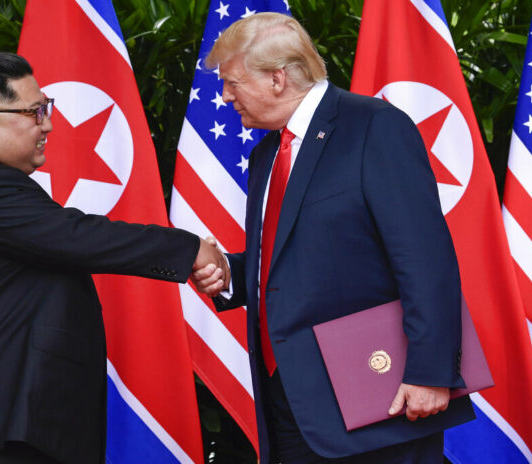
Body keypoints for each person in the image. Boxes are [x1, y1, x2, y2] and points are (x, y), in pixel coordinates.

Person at [191, 12, 475, 464]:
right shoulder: (267, 152)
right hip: (290, 403)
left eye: (232, 82)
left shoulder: (373, 126)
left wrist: (430, 372)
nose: (225, 96)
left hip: (379, 398)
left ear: (277, 79)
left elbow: (424, 257)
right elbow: (295, 260)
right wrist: (231, 273)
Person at [0, 52, 226, 464]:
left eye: (46, 108)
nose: (47, 123)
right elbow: (78, 236)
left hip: (7, 427)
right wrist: (189, 250)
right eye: (33, 112)